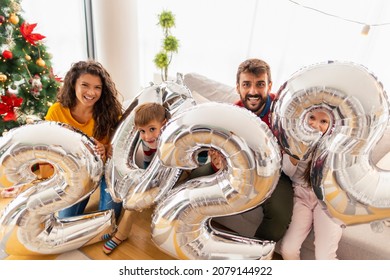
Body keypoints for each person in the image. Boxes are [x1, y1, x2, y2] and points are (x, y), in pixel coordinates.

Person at [44, 60, 123, 220]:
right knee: (65, 219)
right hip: (76, 172)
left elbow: (120, 146)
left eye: (97, 87)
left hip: (105, 169)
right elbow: (48, 149)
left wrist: (106, 148)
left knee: (107, 220)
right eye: (85, 85)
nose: (91, 92)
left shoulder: (110, 112)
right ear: (73, 85)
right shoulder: (56, 112)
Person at [232, 58, 294, 242]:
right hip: (242, 167)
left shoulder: (283, 109)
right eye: (246, 84)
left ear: (269, 85)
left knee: (279, 217)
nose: (252, 92)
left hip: (276, 171)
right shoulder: (233, 111)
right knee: (200, 173)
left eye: (260, 84)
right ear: (238, 88)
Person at [102, 102, 170, 254]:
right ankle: (121, 232)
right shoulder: (147, 143)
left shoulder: (169, 142)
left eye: (152, 129)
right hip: (156, 176)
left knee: (136, 199)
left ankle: (120, 235)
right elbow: (147, 167)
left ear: (164, 125)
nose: (147, 136)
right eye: (142, 131)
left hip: (176, 177)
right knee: (134, 194)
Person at [279, 108, 343, 260]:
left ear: (331, 125)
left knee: (324, 257)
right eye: (312, 118)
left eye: (323, 121)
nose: (315, 125)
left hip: (326, 199)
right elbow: (287, 172)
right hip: (301, 196)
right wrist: (296, 152)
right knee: (288, 249)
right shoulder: (294, 138)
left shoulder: (335, 144)